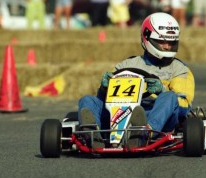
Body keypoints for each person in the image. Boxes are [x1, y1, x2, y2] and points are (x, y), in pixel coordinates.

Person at [78, 12, 195, 148]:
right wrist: (104, 88)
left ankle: (142, 133)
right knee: (87, 100)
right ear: (147, 38)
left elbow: (183, 107)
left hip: (155, 116)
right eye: (162, 41)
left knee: (170, 96)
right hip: (118, 113)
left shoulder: (180, 70)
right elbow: (105, 100)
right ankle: (93, 134)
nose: (167, 47)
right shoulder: (127, 65)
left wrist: (161, 90)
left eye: (171, 42)